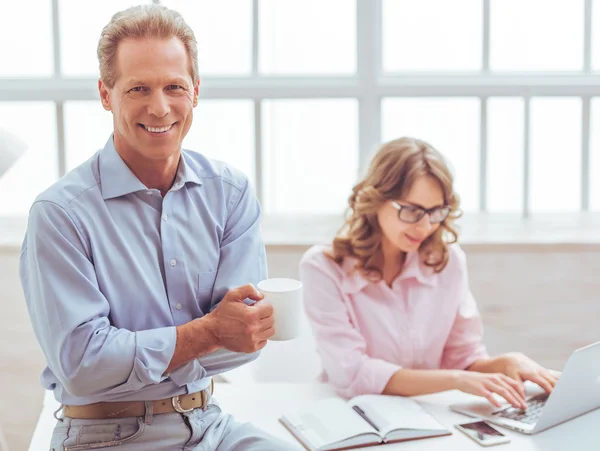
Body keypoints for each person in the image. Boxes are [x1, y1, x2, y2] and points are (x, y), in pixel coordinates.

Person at [20, 5, 297, 450]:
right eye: (138, 89)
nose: (160, 107)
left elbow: (243, 340)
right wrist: (204, 332)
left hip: (208, 425)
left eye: (174, 87)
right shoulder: (60, 214)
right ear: (106, 94)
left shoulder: (229, 193)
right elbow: (83, 364)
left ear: (196, 91)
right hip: (103, 436)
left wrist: (138, 351)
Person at [300, 137, 558, 410]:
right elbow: (351, 375)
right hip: (355, 417)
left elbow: (462, 356)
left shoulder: (447, 261)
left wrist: (505, 363)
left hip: (432, 416)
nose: (425, 226)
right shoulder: (323, 268)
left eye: (435, 212)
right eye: (412, 211)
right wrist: (456, 380)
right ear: (376, 200)